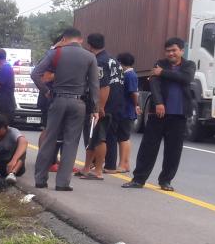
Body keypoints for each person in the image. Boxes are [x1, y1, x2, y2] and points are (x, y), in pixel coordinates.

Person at [30, 27, 98, 191]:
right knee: (70, 142)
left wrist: (46, 91)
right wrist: (95, 108)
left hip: (57, 99)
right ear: (80, 40)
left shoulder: (55, 53)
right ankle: (62, 183)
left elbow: (35, 74)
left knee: (49, 139)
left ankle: (40, 180)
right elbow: (94, 85)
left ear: (64, 39)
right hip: (78, 103)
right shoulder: (90, 57)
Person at [123, 38, 194, 192]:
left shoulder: (188, 65)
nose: (171, 53)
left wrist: (163, 73)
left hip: (179, 114)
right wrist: (159, 103)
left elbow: (186, 78)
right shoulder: (159, 63)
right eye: (168, 51)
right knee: (148, 148)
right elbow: (154, 84)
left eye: (174, 50)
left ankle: (165, 181)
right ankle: (138, 179)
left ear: (181, 51)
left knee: (173, 151)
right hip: (158, 114)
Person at [77, 33, 119, 179]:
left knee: (99, 138)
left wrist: (99, 107)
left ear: (89, 45)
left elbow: (104, 86)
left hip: (101, 104)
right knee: (92, 137)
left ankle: (98, 171)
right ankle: (86, 167)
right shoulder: (112, 59)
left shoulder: (99, 61)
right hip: (112, 103)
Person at [107, 52, 140, 173]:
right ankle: (124, 163)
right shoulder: (127, 74)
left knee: (124, 138)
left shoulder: (130, 75)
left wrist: (136, 105)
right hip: (123, 111)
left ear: (120, 63)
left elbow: (134, 93)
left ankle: (123, 164)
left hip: (127, 111)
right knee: (122, 137)